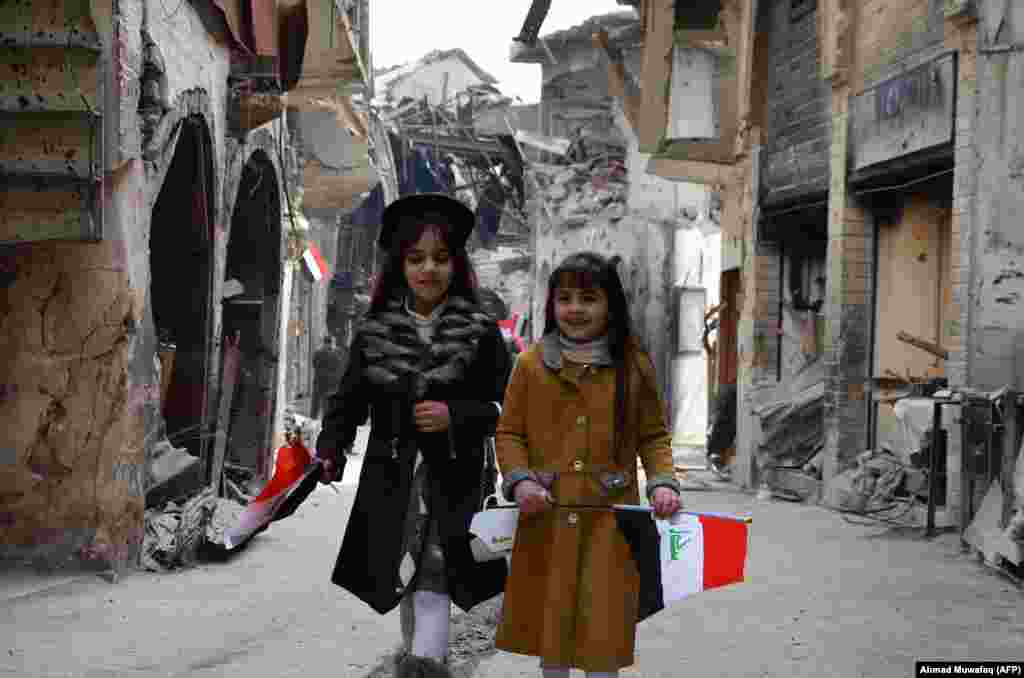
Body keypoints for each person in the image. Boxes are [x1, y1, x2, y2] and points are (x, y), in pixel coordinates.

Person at [316, 193, 513, 678]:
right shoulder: (373, 333)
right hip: (393, 484)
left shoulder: (482, 334)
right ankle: (423, 661)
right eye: (416, 258)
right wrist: (330, 448)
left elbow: (507, 410)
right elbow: (347, 403)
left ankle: (426, 665)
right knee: (406, 582)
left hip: (457, 483)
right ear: (399, 265)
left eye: (442, 258)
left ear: (457, 264)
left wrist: (457, 415)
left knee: (436, 578)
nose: (429, 269)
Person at [493, 251, 683, 678]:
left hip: (611, 525)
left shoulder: (634, 366)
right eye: (564, 299)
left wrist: (661, 483)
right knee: (552, 633)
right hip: (547, 521)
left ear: (610, 305)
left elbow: (652, 436)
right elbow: (509, 434)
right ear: (551, 306)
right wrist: (520, 481)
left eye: (588, 298)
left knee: (605, 634)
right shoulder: (529, 365)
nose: (575, 309)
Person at [311, 335, 345, 420]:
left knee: (318, 404)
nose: (331, 345)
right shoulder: (338, 353)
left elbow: (314, 364)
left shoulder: (318, 352)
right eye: (331, 343)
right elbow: (340, 367)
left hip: (322, 381)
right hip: (328, 382)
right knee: (324, 403)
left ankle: (315, 420)